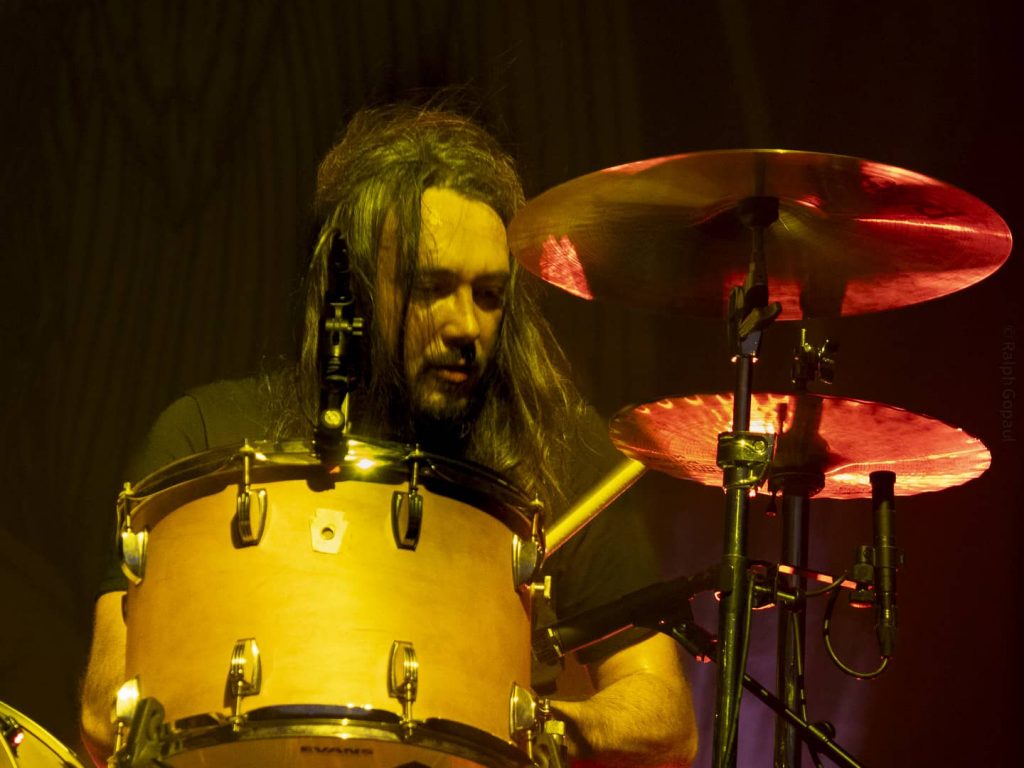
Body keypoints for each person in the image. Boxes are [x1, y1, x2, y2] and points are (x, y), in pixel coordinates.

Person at [80, 105, 698, 766]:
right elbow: (103, 710)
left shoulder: (556, 452)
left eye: (489, 295)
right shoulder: (207, 436)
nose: (466, 326)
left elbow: (666, 718)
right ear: (353, 287)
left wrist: (532, 725)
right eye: (431, 288)